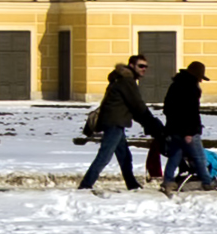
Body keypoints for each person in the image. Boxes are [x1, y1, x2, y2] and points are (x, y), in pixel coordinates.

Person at [79, 57, 149, 191]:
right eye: (141, 66)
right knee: (104, 156)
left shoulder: (120, 79)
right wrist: (151, 122)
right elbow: (137, 105)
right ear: (131, 65)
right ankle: (86, 184)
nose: (144, 69)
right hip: (114, 123)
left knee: (125, 156)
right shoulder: (127, 81)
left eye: (145, 66)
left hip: (116, 122)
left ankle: (132, 184)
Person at [155, 54, 207, 191]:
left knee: (175, 155)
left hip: (174, 129)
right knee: (199, 157)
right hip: (188, 130)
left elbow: (167, 109)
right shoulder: (191, 88)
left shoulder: (175, 85)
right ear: (196, 76)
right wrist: (189, 132)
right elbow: (191, 112)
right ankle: (207, 181)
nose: (201, 81)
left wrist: (173, 126)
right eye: (200, 77)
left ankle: (168, 180)